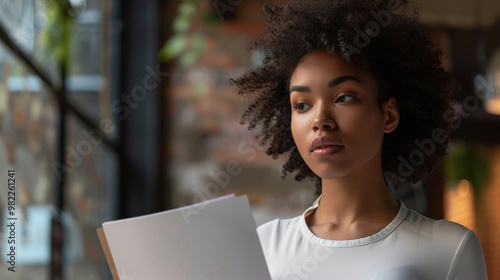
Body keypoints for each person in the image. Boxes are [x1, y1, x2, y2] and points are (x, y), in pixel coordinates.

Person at [231, 0, 488, 279]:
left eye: (344, 97)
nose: (320, 120)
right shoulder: (265, 246)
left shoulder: (450, 248)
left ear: (388, 115)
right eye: (302, 105)